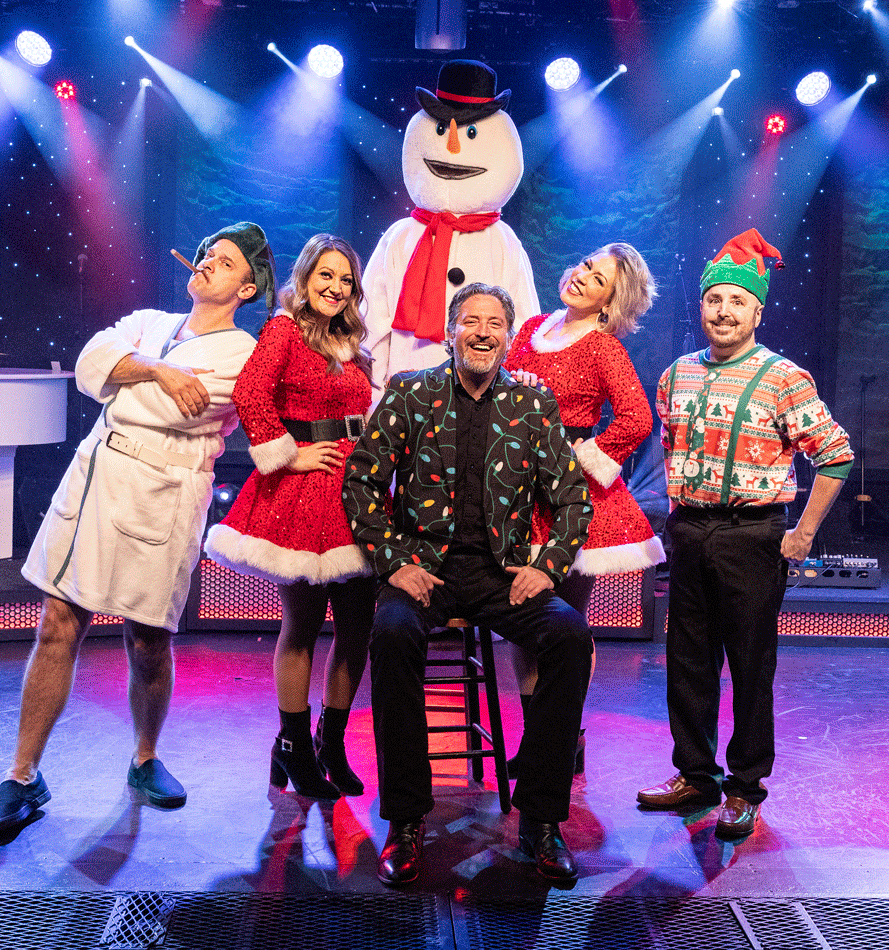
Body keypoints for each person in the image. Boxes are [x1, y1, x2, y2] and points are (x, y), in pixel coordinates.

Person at [0, 221, 273, 840]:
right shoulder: (149, 321)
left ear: (246, 289)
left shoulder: (242, 356)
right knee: (58, 621)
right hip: (98, 478)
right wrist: (159, 372)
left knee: (146, 639)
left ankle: (145, 758)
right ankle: (22, 776)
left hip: (165, 494)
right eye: (204, 252)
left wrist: (128, 380)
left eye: (222, 262)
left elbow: (160, 409)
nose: (205, 263)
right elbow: (91, 365)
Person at [343, 282, 595, 885]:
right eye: (471, 321)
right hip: (423, 568)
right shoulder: (412, 393)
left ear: (509, 336)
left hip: (501, 574)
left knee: (568, 637)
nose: (483, 332)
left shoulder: (533, 405)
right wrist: (396, 561)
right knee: (393, 635)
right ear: (452, 331)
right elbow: (362, 485)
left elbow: (572, 499)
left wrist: (546, 566)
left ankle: (539, 817)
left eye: (495, 323)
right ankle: (404, 821)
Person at [637, 228, 853, 838]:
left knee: (751, 665)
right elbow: (676, 454)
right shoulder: (676, 376)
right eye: (714, 300)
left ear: (757, 311)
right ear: (701, 306)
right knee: (687, 660)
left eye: (737, 301)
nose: (723, 311)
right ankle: (695, 775)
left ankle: (745, 787)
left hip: (753, 534)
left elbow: (834, 455)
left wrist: (804, 533)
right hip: (692, 530)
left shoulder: (785, 377)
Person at [205, 234, 375, 800]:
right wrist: (290, 453)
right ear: (304, 279)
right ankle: (293, 746)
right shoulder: (283, 328)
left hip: (355, 491)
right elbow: (251, 394)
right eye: (325, 276)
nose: (335, 287)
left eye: (345, 279)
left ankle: (331, 742)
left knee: (357, 628)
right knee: (302, 623)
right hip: (302, 491)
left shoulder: (351, 340)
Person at [503, 244, 665, 775]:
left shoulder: (602, 347)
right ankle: (536, 736)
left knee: (568, 625)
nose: (581, 276)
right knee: (526, 621)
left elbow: (637, 419)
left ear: (610, 302)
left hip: (572, 496)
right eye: (584, 265)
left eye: (597, 279)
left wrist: (583, 458)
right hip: (516, 486)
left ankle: (565, 733)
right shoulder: (529, 328)